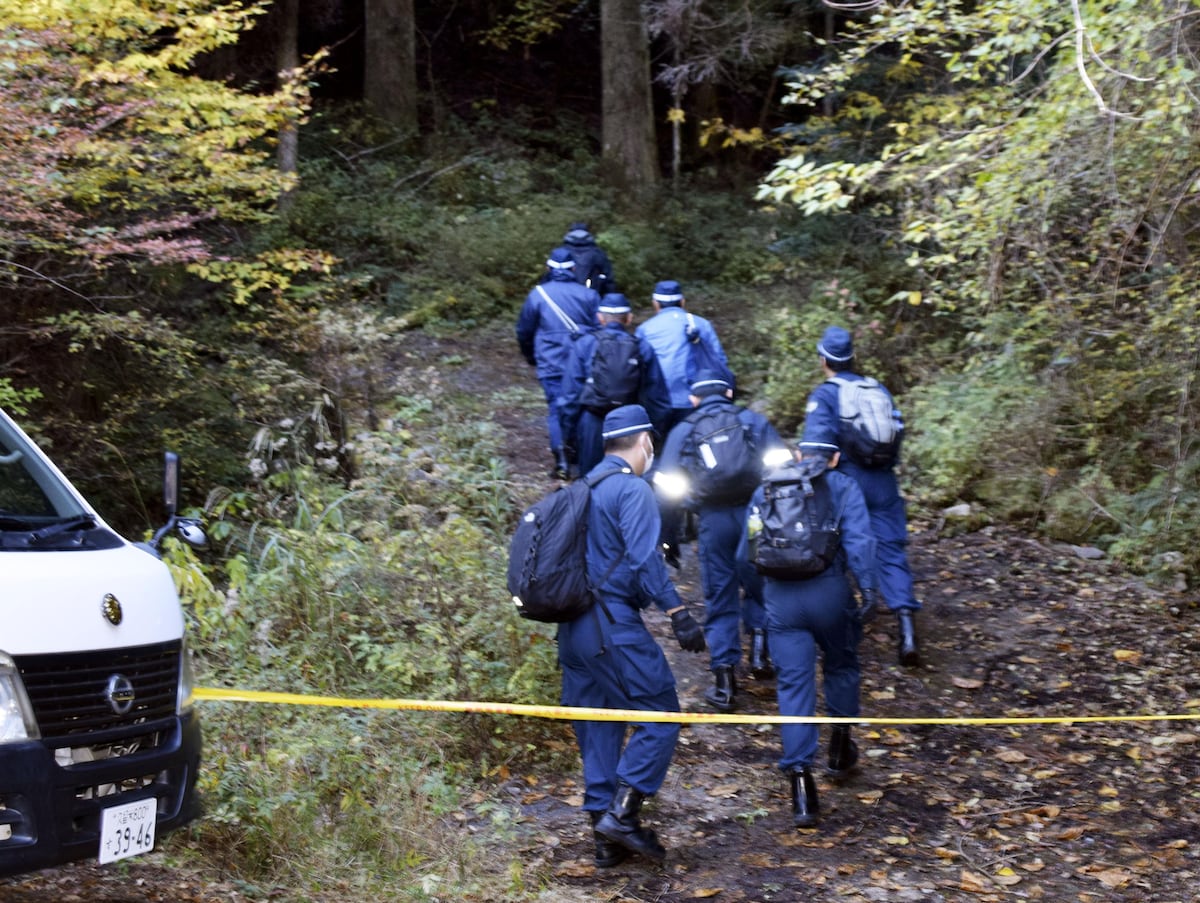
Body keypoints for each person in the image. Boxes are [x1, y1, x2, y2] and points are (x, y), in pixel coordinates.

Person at [557, 404, 707, 867]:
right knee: (660, 711)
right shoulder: (632, 490)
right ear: (644, 441)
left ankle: (603, 841)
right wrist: (678, 611)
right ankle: (622, 815)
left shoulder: (580, 488)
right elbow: (645, 561)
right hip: (611, 626)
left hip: (572, 629)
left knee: (598, 721)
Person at [743, 439, 879, 829]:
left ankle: (802, 787)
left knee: (793, 686)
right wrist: (868, 588)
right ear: (835, 457)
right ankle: (839, 749)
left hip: (781, 599)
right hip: (830, 593)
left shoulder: (766, 487)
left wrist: (761, 599)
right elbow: (860, 541)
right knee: (841, 665)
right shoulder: (843, 486)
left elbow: (744, 555)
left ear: (800, 455)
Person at [655, 370, 788, 712]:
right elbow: (784, 471)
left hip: (712, 520)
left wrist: (669, 539)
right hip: (755, 515)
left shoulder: (684, 431)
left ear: (693, 399)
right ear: (729, 392)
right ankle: (760, 653)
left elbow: (667, 490)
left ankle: (725, 682)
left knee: (720, 594)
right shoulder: (753, 421)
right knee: (760, 580)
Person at [802, 325, 921, 666]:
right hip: (883, 481)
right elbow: (895, 437)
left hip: (846, 482)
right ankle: (907, 628)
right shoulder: (877, 388)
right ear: (853, 358)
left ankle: (843, 626)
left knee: (836, 549)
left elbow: (816, 451)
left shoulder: (826, 394)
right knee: (890, 549)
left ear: (823, 359)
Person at [558, 293, 672, 478]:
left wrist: (569, 436)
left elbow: (569, 396)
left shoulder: (586, 344)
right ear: (628, 318)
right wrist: (652, 434)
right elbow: (658, 399)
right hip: (631, 424)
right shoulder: (642, 347)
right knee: (629, 478)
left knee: (591, 479)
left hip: (592, 422)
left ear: (600, 318)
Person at [515, 247, 601, 479]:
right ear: (573, 269)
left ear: (548, 268)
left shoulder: (538, 295)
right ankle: (582, 458)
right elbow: (599, 330)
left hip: (550, 362)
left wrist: (531, 356)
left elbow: (524, 331)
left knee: (556, 409)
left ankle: (562, 461)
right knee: (583, 408)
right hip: (583, 363)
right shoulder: (588, 295)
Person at [635, 280, 732, 439]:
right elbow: (719, 360)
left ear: (655, 304)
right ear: (682, 302)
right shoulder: (701, 324)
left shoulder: (645, 329)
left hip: (659, 401)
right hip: (697, 400)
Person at [562, 221, 614, 295]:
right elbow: (608, 278)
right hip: (592, 295)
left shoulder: (561, 252)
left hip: (566, 295)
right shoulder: (597, 253)